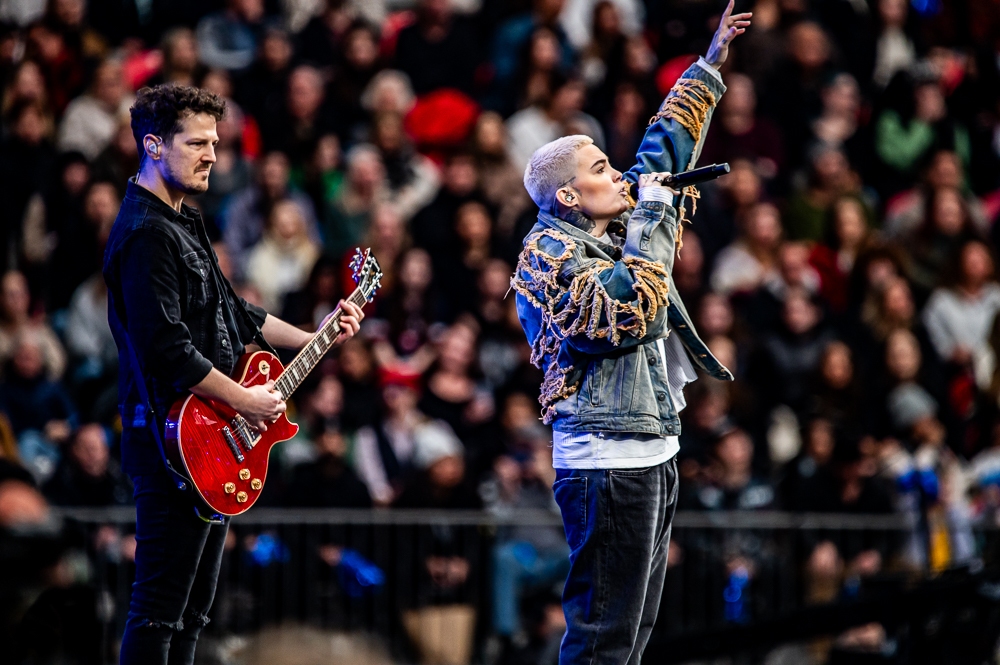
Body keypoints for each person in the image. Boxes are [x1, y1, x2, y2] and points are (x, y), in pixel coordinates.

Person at [509, 3, 749, 662]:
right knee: (602, 637)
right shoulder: (546, 256)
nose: (617, 175)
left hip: (649, 447)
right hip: (606, 460)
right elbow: (625, 314)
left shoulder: (603, 225)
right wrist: (651, 215)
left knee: (633, 633)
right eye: (598, 171)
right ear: (566, 196)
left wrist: (707, 66)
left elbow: (658, 151)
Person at [102, 84, 365, 665]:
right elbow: (168, 350)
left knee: (191, 615)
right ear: (152, 145)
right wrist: (245, 400)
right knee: (158, 613)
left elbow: (234, 309)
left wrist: (317, 335)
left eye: (216, 142)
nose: (212, 155)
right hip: (173, 442)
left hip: (209, 436)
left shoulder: (183, 220)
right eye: (196, 142)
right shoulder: (146, 234)